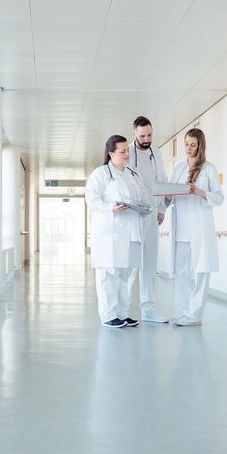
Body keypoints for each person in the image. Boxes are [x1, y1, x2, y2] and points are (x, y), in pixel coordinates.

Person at [85, 135, 152, 329]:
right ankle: (108, 315)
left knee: (126, 274)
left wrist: (144, 208)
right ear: (111, 153)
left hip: (132, 232)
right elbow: (91, 197)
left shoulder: (132, 174)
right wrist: (110, 208)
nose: (126, 154)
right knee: (109, 274)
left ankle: (122, 314)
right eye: (122, 151)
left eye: (127, 151)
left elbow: (143, 197)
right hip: (110, 233)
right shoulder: (101, 173)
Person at [168, 127, 224, 326]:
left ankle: (195, 315)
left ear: (200, 146)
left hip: (200, 227)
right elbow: (171, 194)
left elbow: (219, 198)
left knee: (200, 271)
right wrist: (167, 197)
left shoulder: (209, 168)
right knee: (181, 271)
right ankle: (186, 311)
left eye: (193, 145)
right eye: (186, 144)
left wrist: (200, 192)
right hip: (182, 227)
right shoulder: (179, 169)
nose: (189, 148)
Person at [128, 115, 169, 323]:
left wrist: (162, 209)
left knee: (150, 261)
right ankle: (122, 310)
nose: (147, 139)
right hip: (132, 214)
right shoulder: (126, 152)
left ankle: (149, 309)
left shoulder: (157, 154)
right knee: (129, 262)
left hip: (152, 213)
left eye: (150, 135)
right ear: (134, 133)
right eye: (142, 135)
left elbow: (162, 181)